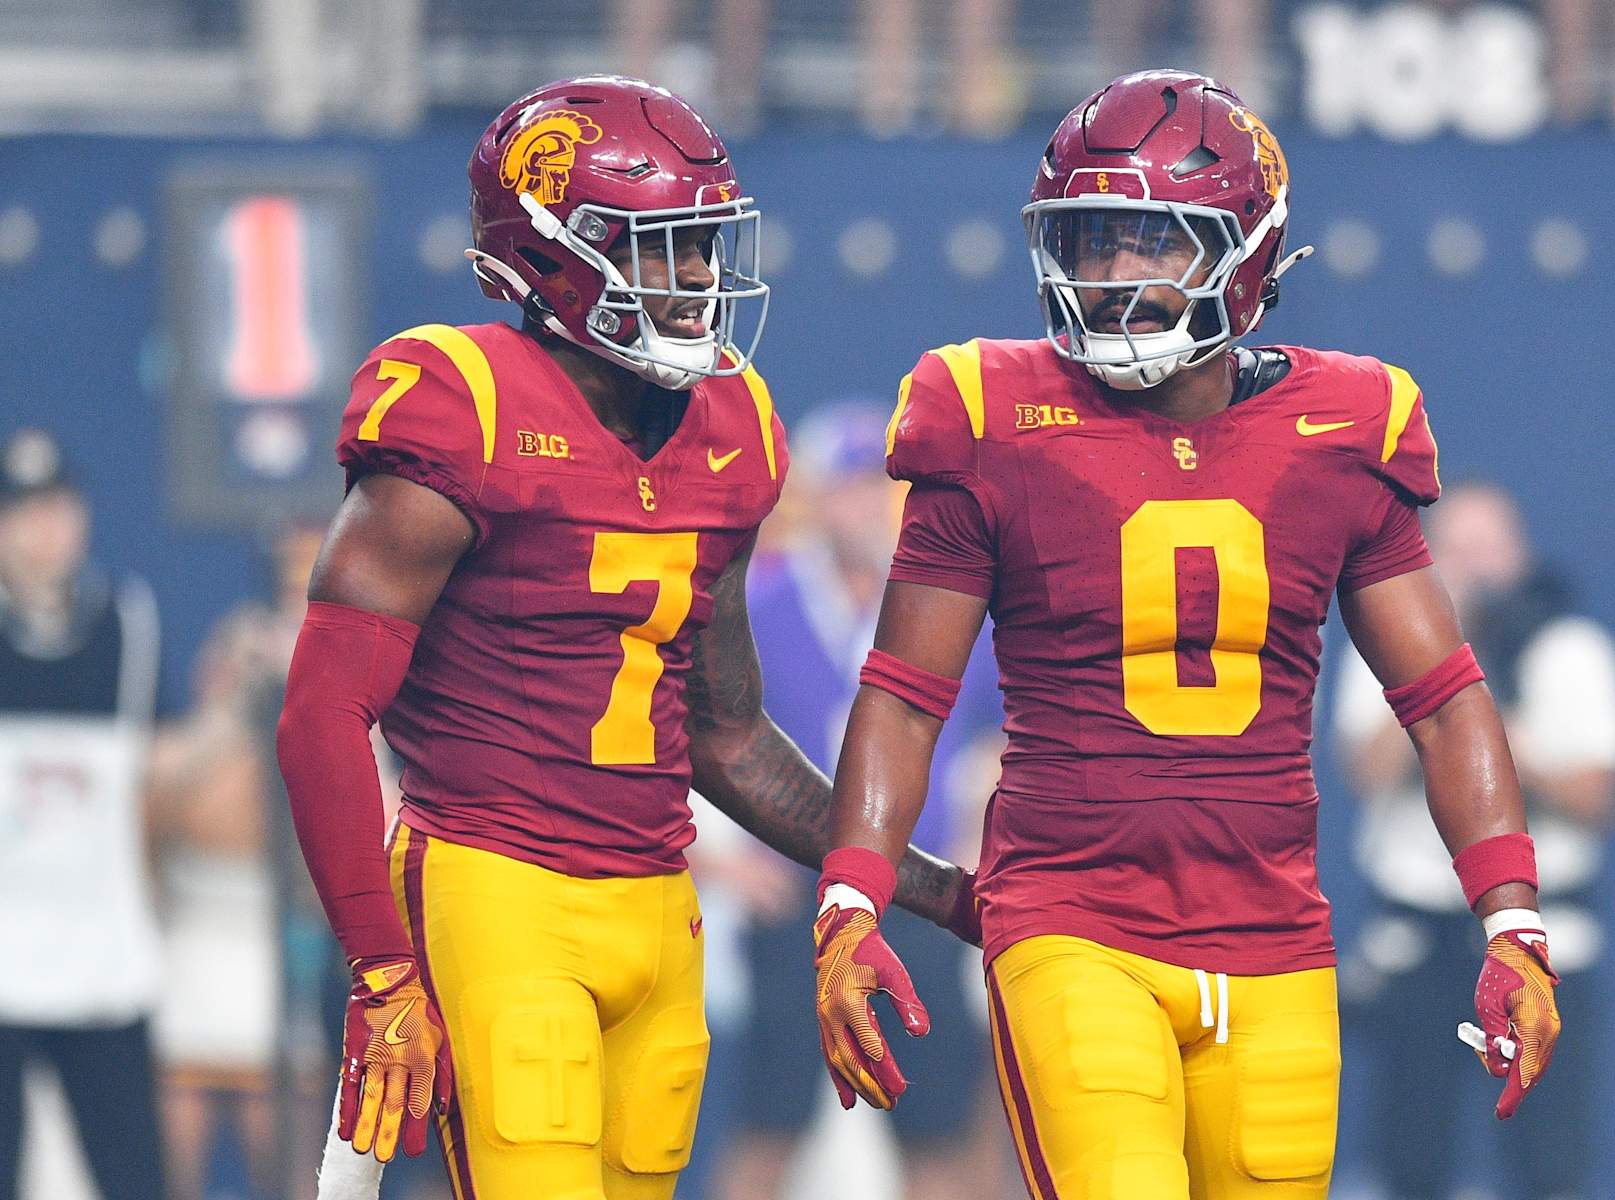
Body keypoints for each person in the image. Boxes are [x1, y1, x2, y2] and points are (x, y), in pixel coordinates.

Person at [809, 71, 1562, 1200]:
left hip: (1276, 936)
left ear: (1247, 255)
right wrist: (852, 899)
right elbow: (908, 690)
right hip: (1073, 919)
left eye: (1153, 242)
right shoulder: (989, 414)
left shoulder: (1344, 427)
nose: (1114, 278)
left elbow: (1443, 698)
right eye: (1093, 243)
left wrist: (1511, 917)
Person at [275, 75, 976, 1200]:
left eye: (705, 243)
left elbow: (728, 735)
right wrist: (381, 970)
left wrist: (931, 888)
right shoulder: (465, 401)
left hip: (656, 902)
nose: (699, 277)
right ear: (551, 256)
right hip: (495, 880)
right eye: (661, 248)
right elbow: (321, 715)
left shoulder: (732, 421)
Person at [719, 402, 1004, 1200]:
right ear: (811, 498)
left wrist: (986, 839)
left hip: (915, 892)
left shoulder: (949, 605)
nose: (865, 508)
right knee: (767, 1128)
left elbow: (1008, 732)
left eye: (880, 489)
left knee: (941, 1131)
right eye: (845, 489)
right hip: (793, 899)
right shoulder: (759, 601)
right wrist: (717, 857)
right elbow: (683, 727)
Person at [1331, 480, 1615, 1200]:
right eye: (1456, 552)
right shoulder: (1382, 640)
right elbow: (1367, 772)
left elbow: (1600, 797)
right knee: (1412, 1153)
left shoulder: (1571, 650)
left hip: (1545, 933)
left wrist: (1494, 736)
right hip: (1420, 936)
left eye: (1489, 550)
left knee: (1549, 1160)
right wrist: (1436, 674)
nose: (1474, 570)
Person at [0, 429, 166, 1200]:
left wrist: (240, 707)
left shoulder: (126, 625)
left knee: (133, 1177)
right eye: (22, 511)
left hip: (102, 959)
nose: (44, 528)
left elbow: (151, 769)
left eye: (57, 507)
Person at [146, 610, 283, 1200]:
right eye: (229, 662)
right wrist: (220, 732)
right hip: (186, 956)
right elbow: (151, 825)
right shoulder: (173, 753)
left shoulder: (296, 753)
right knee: (176, 1165)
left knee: (283, 1157)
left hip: (270, 959)